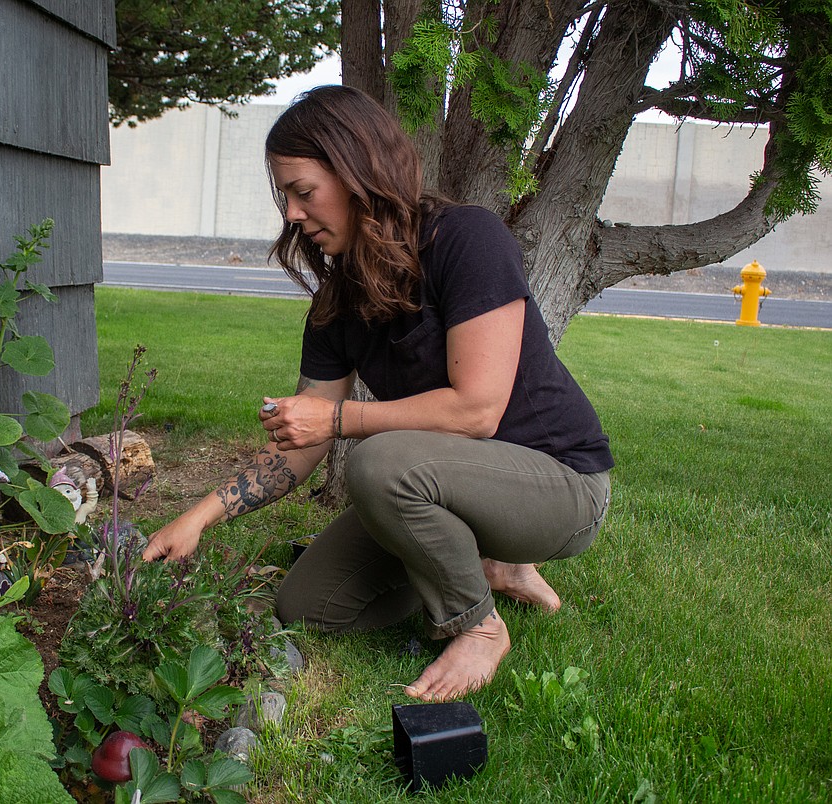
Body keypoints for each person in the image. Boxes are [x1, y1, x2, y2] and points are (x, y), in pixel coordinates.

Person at [142, 85, 613, 702]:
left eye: (303, 192)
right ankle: (487, 567)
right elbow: (300, 446)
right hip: (445, 483)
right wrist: (198, 518)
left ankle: (476, 625)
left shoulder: (467, 240)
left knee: (380, 461)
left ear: (358, 172)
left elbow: (477, 410)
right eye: (284, 195)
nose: (291, 214)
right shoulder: (336, 305)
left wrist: (338, 419)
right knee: (308, 606)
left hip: (561, 486)